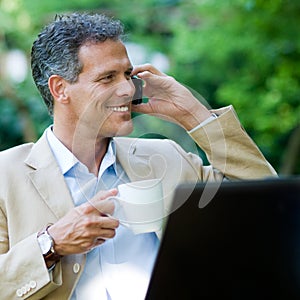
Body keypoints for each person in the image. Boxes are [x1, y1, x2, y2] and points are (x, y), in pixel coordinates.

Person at [0, 12, 277, 300]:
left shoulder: (166, 157)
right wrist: (51, 244)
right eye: (107, 78)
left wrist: (195, 115)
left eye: (128, 75)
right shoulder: (5, 175)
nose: (128, 89)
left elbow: (268, 208)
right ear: (60, 88)